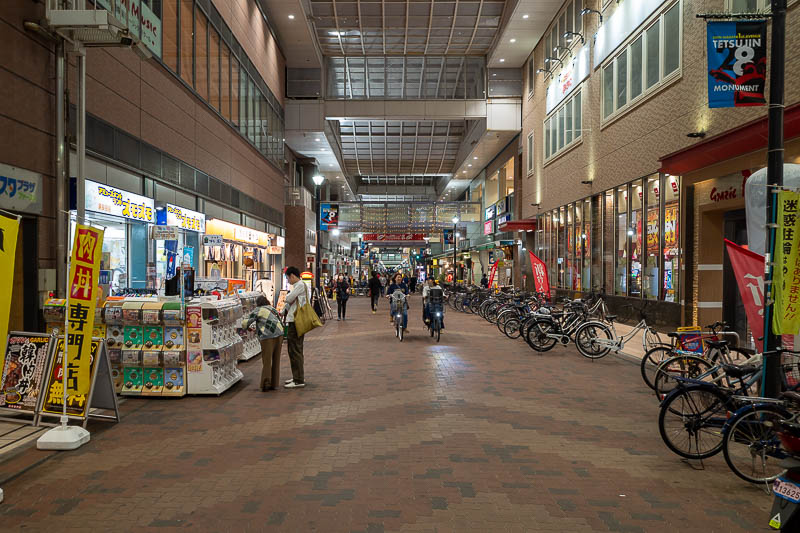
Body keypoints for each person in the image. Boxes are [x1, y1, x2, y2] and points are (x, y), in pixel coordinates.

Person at [242, 295, 284, 392]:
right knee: (276, 360)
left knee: (267, 360)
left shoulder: (258, 309)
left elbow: (245, 323)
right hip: (280, 334)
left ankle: (266, 383)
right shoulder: (272, 308)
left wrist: (246, 327)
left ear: (258, 303)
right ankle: (274, 383)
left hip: (268, 336)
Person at [282, 266, 309, 389]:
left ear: (292, 276)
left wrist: (287, 298)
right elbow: (290, 302)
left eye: (288, 278)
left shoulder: (299, 285)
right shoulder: (299, 286)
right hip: (294, 321)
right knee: (294, 350)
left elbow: (288, 298)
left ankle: (298, 380)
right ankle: (297, 376)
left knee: (295, 350)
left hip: (296, 322)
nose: (288, 281)